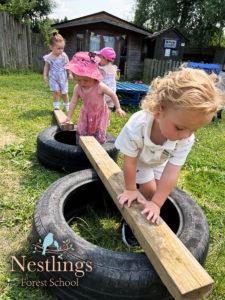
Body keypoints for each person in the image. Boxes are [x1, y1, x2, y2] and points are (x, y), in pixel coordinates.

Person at [115, 68, 224, 246]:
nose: (186, 135)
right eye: (181, 128)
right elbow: (129, 161)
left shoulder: (185, 136)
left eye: (194, 129)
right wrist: (130, 188)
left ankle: (154, 212)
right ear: (159, 110)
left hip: (160, 158)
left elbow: (172, 172)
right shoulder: (138, 125)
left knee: (159, 193)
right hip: (140, 160)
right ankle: (131, 223)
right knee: (149, 190)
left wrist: (157, 204)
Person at [64, 52, 126, 144]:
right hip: (86, 112)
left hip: (100, 113)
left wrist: (118, 108)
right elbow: (73, 102)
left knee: (98, 132)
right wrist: (69, 116)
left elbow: (112, 94)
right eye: (79, 80)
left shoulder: (99, 86)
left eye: (86, 80)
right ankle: (80, 145)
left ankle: (98, 146)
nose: (82, 83)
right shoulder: (77, 88)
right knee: (82, 130)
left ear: (94, 77)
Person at [43, 32, 73, 111]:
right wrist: (45, 76)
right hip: (53, 77)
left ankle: (67, 105)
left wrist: (69, 73)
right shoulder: (49, 57)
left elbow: (68, 65)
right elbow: (46, 67)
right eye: (58, 48)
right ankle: (56, 106)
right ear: (51, 47)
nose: (61, 50)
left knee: (64, 92)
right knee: (56, 92)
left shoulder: (64, 55)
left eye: (62, 48)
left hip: (63, 77)